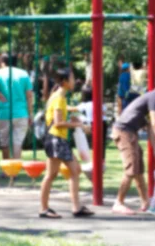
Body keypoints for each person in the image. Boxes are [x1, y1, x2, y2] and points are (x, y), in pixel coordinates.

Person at [111, 71, 155, 215]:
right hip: (124, 131)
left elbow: (149, 127)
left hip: (130, 132)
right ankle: (118, 203)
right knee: (131, 169)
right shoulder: (154, 97)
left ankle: (146, 202)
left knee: (138, 168)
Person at [39, 69, 94, 219]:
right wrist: (78, 125)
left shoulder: (59, 97)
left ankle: (75, 207)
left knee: (72, 170)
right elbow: (58, 123)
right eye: (72, 78)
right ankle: (45, 209)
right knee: (56, 174)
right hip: (56, 139)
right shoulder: (58, 98)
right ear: (64, 82)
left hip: (56, 139)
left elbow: (61, 117)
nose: (74, 81)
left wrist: (73, 119)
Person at [0, 54, 31, 159]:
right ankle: (15, 169)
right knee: (17, 143)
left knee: (4, 142)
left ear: (3, 62)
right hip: (21, 113)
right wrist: (30, 114)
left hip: (4, 112)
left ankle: (6, 169)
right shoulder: (24, 74)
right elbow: (29, 96)